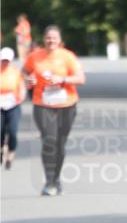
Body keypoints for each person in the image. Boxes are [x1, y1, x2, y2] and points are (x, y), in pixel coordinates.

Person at [23, 25, 86, 196]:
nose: (51, 41)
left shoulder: (68, 57)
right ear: (44, 39)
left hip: (67, 105)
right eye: (48, 38)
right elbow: (25, 72)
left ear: (60, 40)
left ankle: (56, 179)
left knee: (60, 143)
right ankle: (49, 180)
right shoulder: (34, 57)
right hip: (42, 104)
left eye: (54, 38)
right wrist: (28, 79)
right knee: (49, 140)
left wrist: (63, 79)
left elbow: (81, 79)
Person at [1, 47, 26, 170]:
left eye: (7, 60)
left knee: (12, 131)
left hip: (13, 105)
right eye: (3, 60)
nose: (5, 63)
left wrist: (21, 97)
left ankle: (11, 154)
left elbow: (22, 87)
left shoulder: (15, 72)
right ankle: (2, 150)